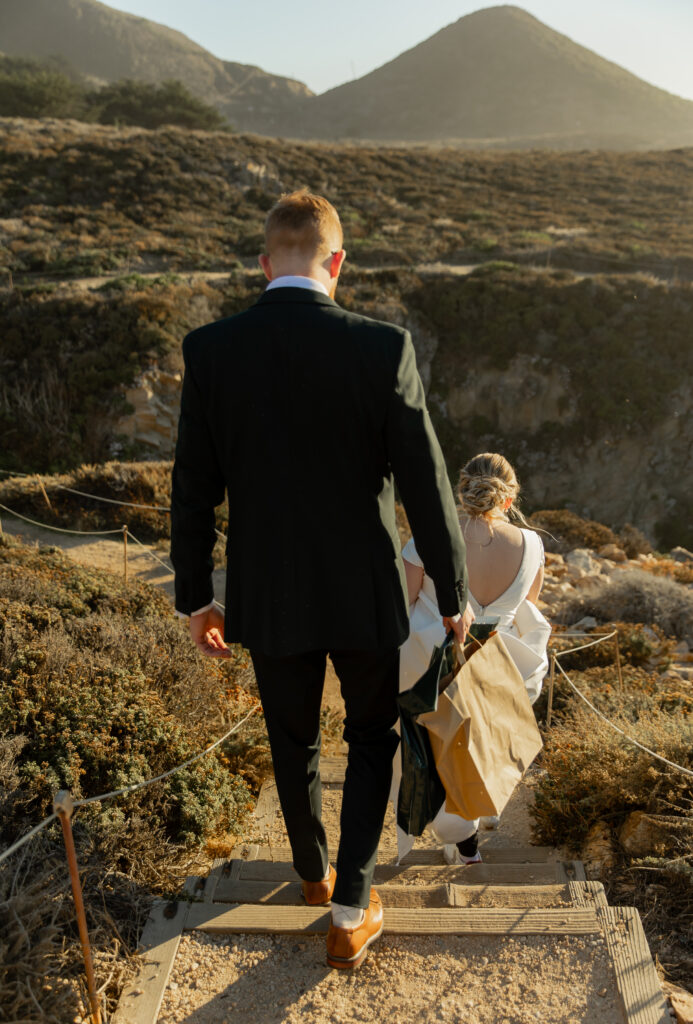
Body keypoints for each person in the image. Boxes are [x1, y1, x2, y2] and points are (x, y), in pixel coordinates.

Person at [169, 190, 473, 969]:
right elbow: (427, 486)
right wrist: (452, 589)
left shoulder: (210, 350)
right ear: (336, 263)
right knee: (370, 739)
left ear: (265, 263)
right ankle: (348, 907)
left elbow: (191, 486)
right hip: (364, 590)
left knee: (291, 737)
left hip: (267, 591)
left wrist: (197, 595)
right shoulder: (382, 347)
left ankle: (310, 873)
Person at [393, 452, 550, 865]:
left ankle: (453, 831)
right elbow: (525, 609)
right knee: (477, 750)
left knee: (430, 749)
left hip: (430, 665)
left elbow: (402, 607)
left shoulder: (426, 539)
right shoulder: (533, 545)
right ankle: (465, 839)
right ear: (509, 498)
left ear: (462, 492)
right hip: (496, 666)